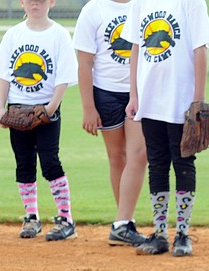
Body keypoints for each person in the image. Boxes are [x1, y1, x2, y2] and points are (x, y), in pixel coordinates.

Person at [121, 0, 209, 257]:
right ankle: (160, 233)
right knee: (157, 163)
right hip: (150, 99)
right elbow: (136, 49)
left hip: (181, 100)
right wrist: (134, 95)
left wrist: (198, 100)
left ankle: (183, 234)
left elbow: (201, 48)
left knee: (183, 161)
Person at [0, 0, 79, 241]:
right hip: (18, 108)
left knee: (50, 161)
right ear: (21, 2)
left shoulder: (59, 34)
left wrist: (50, 108)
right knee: (23, 162)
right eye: (29, 0)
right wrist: (1, 107)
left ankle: (66, 219)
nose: (34, 4)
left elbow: (64, 76)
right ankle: (31, 217)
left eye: (40, 0)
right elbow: (3, 74)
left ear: (51, 2)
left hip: (45, 110)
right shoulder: (13, 35)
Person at [73, 0, 148, 247]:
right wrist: (88, 107)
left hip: (138, 90)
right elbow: (84, 63)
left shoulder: (144, 5)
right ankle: (123, 223)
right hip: (106, 93)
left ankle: (122, 222)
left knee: (138, 155)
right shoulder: (94, 9)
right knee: (117, 156)